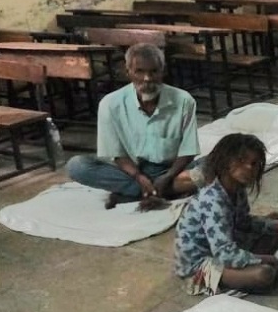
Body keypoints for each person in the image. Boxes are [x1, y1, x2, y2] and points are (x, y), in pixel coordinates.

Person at [67, 43, 204, 209]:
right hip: (130, 171)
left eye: (154, 71)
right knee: (77, 166)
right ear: (128, 72)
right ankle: (161, 190)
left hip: (173, 169)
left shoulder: (183, 100)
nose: (147, 78)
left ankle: (134, 193)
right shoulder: (110, 104)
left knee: (220, 163)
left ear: (164, 71)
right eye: (139, 71)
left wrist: (168, 176)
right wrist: (139, 177)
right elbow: (115, 153)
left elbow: (188, 151)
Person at [174, 133, 278, 297]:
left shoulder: (237, 190)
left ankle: (247, 268)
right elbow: (225, 254)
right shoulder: (212, 201)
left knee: (274, 224)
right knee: (264, 274)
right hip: (201, 266)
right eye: (241, 161)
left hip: (224, 247)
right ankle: (219, 279)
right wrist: (264, 259)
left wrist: (276, 226)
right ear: (225, 161)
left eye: (254, 164)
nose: (249, 168)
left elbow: (244, 224)